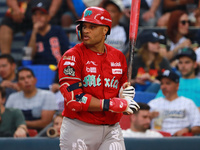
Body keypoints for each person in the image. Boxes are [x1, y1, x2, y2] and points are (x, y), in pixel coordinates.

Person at [58, 6, 139, 150]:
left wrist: (124, 95)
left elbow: (120, 89)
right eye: (84, 26)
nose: (86, 30)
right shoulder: (72, 57)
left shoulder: (118, 56)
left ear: (105, 30)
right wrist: (113, 104)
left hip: (111, 129)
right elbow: (74, 100)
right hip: (79, 128)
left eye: (92, 26)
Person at [149, 69, 200, 136]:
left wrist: (187, 129)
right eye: (162, 83)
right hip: (158, 140)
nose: (164, 87)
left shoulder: (188, 103)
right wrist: (148, 117)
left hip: (181, 140)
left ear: (177, 86)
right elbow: (138, 125)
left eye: (168, 83)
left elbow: (198, 126)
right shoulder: (153, 103)